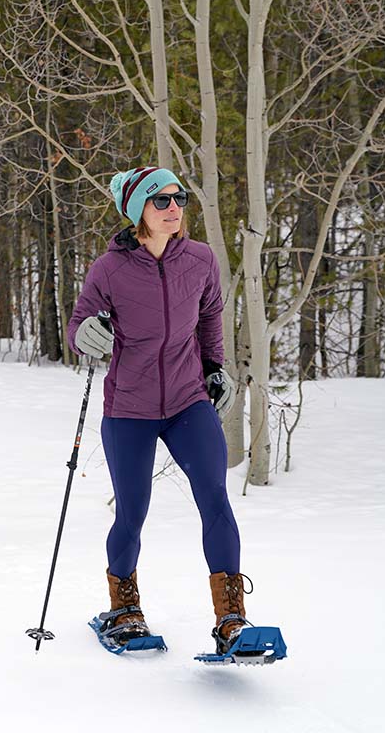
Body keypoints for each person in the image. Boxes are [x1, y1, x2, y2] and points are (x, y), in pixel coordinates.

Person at [65, 166, 252, 655]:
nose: (175, 209)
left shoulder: (201, 260)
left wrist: (215, 367)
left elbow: (210, 315)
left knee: (216, 500)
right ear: (137, 212)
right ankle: (124, 607)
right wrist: (85, 334)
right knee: (132, 512)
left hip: (189, 400)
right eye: (162, 201)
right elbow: (81, 322)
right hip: (129, 406)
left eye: (180, 198)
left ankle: (232, 620)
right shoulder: (110, 269)